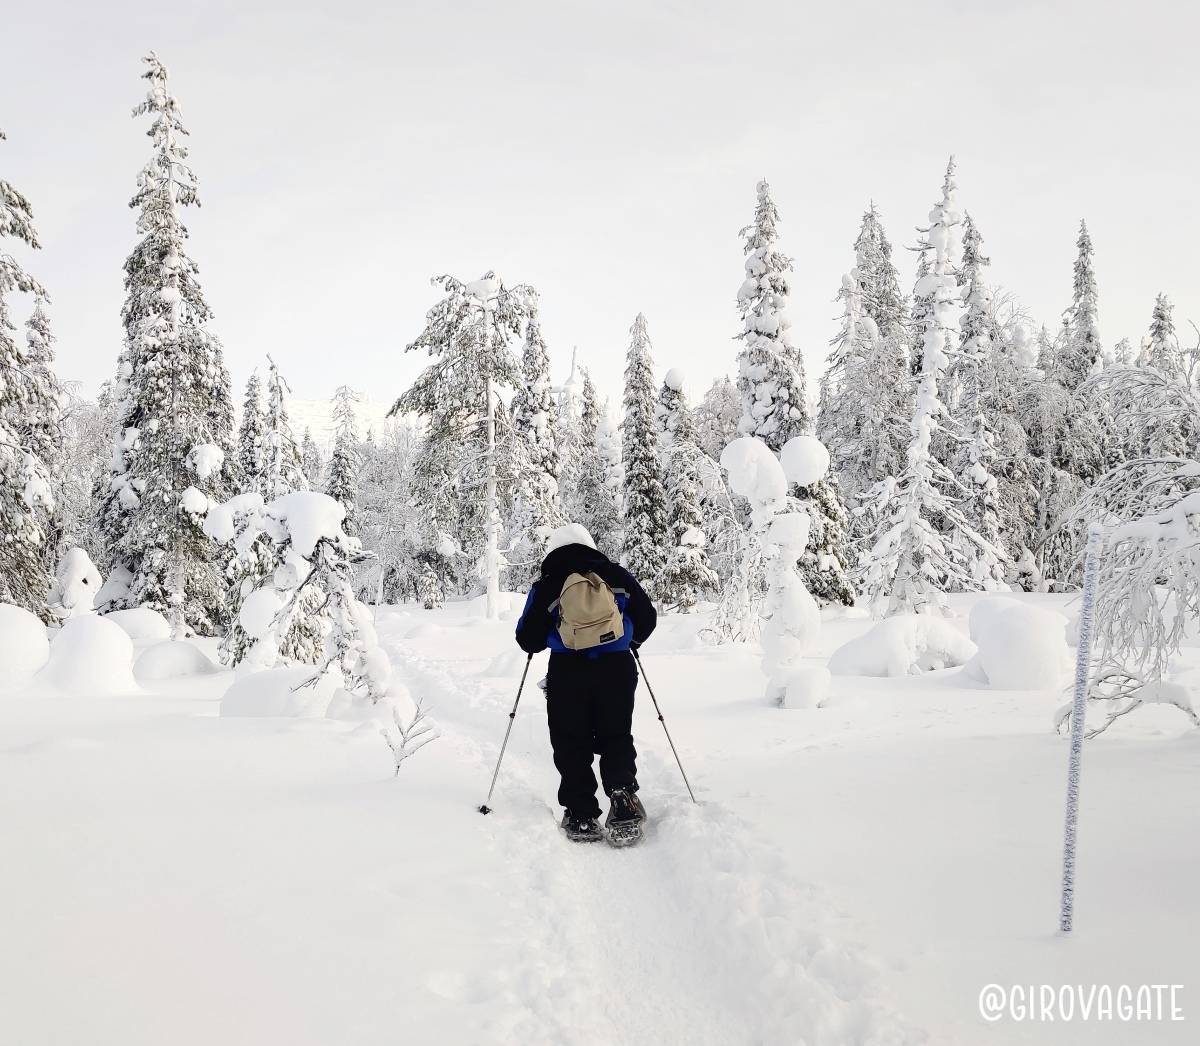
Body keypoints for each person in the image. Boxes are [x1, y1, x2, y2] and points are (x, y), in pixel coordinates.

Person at [515, 523, 657, 842]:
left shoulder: (549, 584)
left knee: (570, 740)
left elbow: (529, 639)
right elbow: (647, 618)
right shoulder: (617, 577)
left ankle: (581, 814)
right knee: (615, 734)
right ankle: (622, 798)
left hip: (568, 670)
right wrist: (629, 640)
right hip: (617, 668)